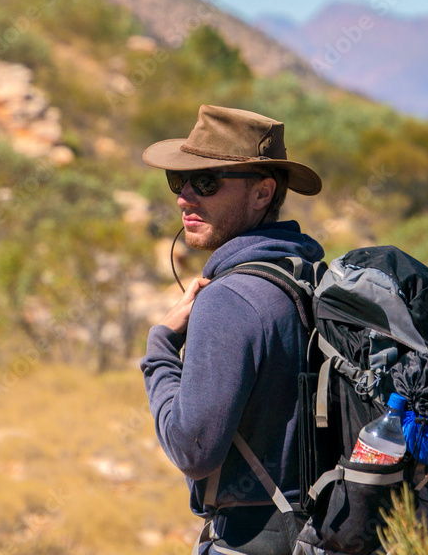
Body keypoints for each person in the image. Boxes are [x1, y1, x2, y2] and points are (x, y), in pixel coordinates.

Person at [140, 104, 325, 555]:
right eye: (177, 182)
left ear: (263, 193)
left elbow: (193, 449)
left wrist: (160, 349)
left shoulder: (229, 299)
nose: (184, 197)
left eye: (205, 182)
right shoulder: (309, 276)